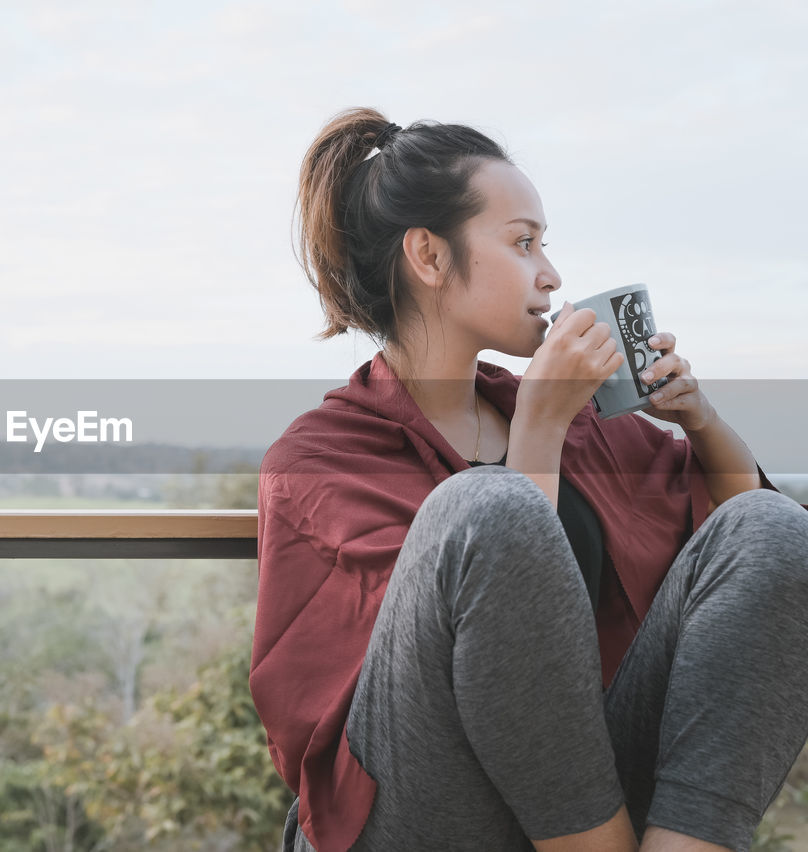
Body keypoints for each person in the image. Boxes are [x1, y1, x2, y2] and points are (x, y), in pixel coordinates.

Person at [249, 107, 808, 852]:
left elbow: (764, 571)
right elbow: (445, 682)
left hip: (581, 791)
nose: (551, 276)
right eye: (523, 244)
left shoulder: (582, 421)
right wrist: (538, 429)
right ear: (429, 256)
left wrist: (697, 419)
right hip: (417, 809)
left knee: (775, 527)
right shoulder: (321, 457)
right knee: (488, 509)